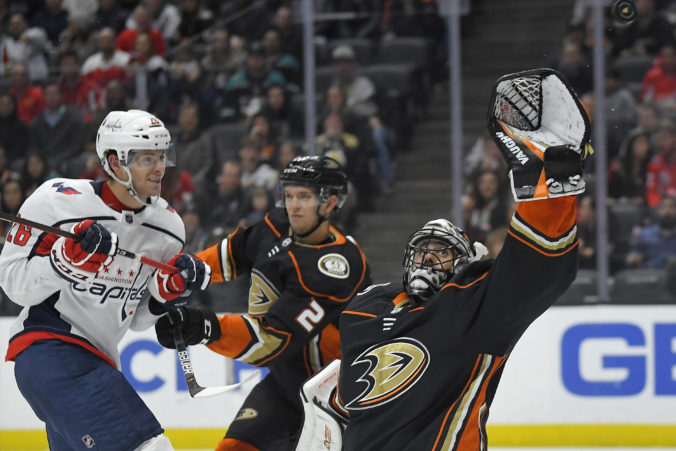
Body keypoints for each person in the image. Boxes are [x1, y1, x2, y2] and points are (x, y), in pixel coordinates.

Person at [314, 99, 588, 450]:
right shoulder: (364, 310)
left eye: (441, 252)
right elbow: (360, 400)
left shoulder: (472, 308)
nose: (428, 259)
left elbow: (538, 270)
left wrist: (549, 192)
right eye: (422, 250)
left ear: (462, 264)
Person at [0, 109, 211, 450]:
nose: (160, 167)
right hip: (48, 350)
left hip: (99, 359)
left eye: (162, 156)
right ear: (115, 163)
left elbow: (136, 319)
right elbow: (11, 282)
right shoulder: (58, 201)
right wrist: (65, 262)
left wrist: (165, 294)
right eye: (147, 158)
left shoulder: (168, 228)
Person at [154, 155, 372, 450]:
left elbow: (270, 341)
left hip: (335, 397)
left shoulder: (338, 266)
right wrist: (184, 272)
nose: (293, 205)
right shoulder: (276, 225)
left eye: (304, 197)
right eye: (290, 195)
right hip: (284, 385)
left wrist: (205, 327)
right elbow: (232, 253)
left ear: (331, 204)